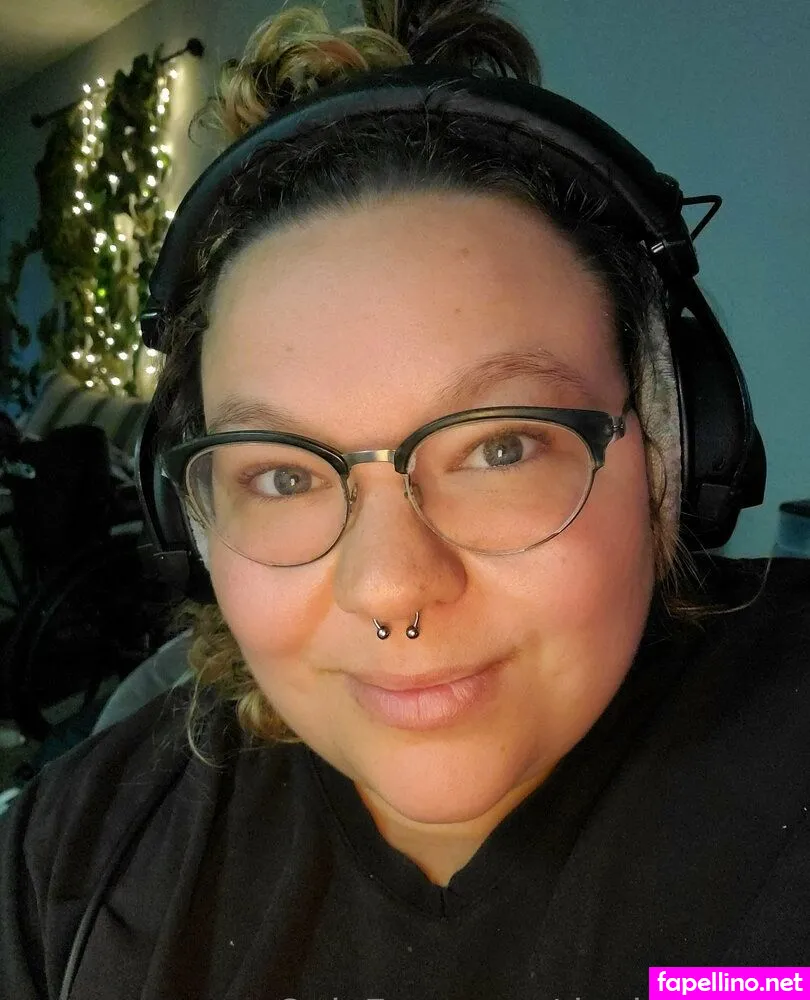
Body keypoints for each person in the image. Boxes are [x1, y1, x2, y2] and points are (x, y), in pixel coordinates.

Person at [2, 1, 809, 997]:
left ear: (674, 450)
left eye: (501, 448)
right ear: (193, 522)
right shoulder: (70, 862)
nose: (389, 588)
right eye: (284, 475)